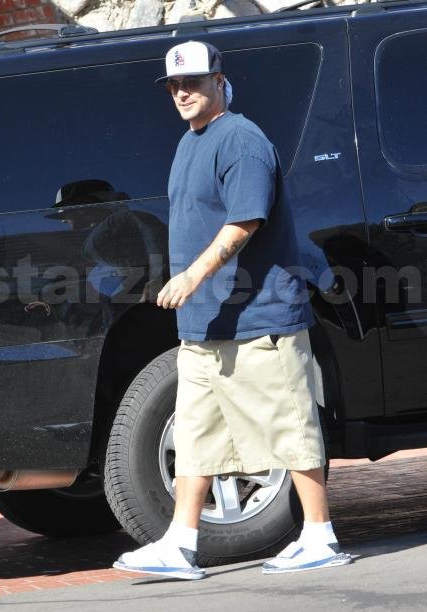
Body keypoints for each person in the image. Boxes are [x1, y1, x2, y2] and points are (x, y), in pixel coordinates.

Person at [113, 40, 352, 580]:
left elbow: (245, 222)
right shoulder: (190, 142)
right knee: (197, 436)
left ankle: (320, 536)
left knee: (289, 426)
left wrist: (192, 276)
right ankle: (180, 544)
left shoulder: (241, 140)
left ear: (219, 82)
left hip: (259, 319)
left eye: (193, 82)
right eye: (174, 85)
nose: (182, 93)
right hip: (204, 325)